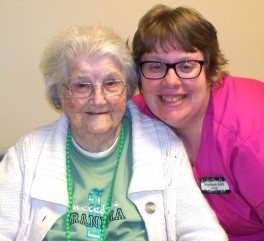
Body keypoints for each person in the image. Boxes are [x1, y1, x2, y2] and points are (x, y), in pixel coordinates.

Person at [0, 25, 227, 241]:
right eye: (81, 86)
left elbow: (203, 233)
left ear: (127, 89)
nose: (98, 100)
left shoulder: (162, 146)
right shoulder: (28, 154)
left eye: (111, 83)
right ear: (59, 94)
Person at [132, 4, 264, 241]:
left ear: (210, 68)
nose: (170, 81)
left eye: (186, 66)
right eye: (155, 66)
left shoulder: (252, 134)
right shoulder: (139, 117)